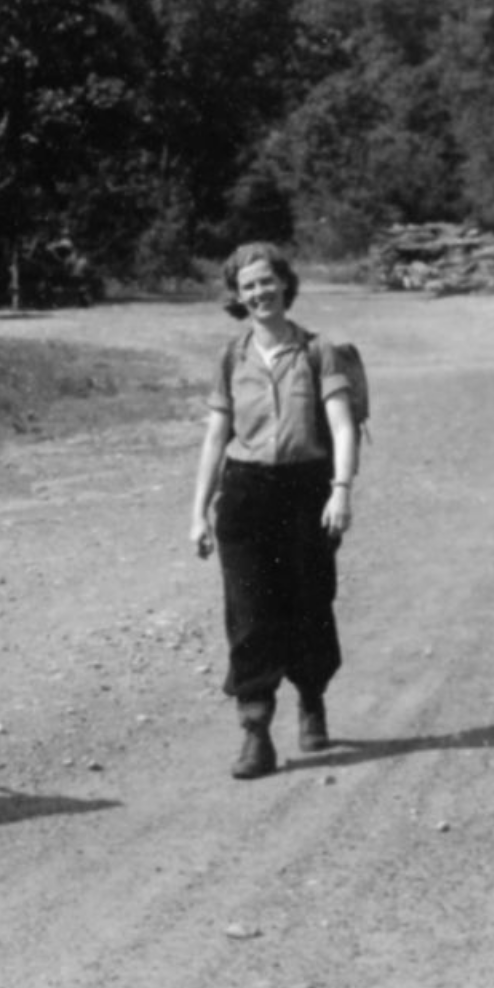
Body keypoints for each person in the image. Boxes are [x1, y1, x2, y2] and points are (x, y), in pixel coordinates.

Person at [186, 241, 363, 778]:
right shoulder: (231, 357)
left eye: (267, 281)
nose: (259, 293)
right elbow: (216, 438)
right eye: (248, 287)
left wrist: (341, 489)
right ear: (238, 298)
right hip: (244, 495)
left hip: (307, 492)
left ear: (284, 284)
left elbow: (341, 425)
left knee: (309, 604)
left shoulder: (318, 351)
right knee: (249, 614)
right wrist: (197, 513)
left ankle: (312, 697)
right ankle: (256, 728)